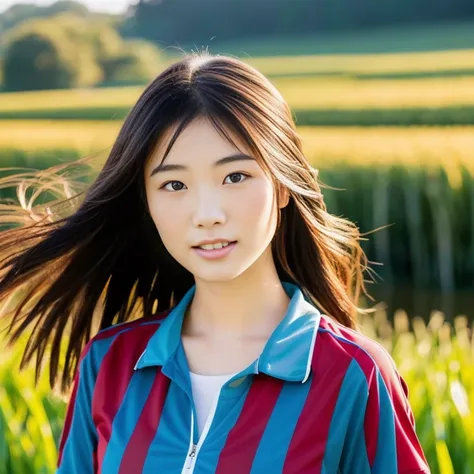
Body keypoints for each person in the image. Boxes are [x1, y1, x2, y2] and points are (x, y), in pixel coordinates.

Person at [0, 52, 430, 474]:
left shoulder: (353, 374)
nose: (207, 213)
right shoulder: (110, 364)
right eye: (174, 184)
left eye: (235, 177)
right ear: (146, 203)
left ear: (283, 187)